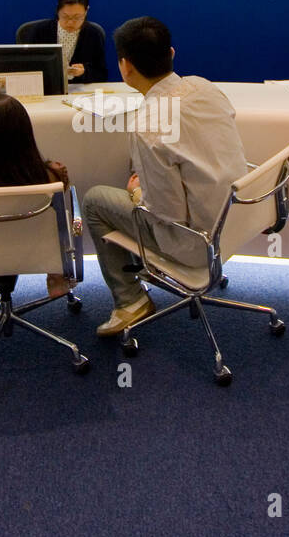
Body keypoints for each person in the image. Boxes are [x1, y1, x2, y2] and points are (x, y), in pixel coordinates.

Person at [83, 17, 247, 336]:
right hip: (238, 218)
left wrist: (137, 194)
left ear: (125, 67)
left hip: (197, 243)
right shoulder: (205, 87)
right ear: (171, 53)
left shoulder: (148, 127)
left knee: (94, 201)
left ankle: (131, 301)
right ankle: (139, 279)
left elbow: (167, 216)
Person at [0, 92, 76, 299]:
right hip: (40, 250)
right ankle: (56, 275)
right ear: (26, 135)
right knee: (56, 216)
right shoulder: (52, 177)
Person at [19, 0, 109, 84]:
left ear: (86, 11)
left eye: (77, 17)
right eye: (65, 16)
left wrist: (84, 72)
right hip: (46, 91)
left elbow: (101, 75)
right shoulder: (40, 31)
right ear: (58, 10)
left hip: (79, 93)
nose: (70, 22)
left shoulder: (93, 34)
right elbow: (26, 69)